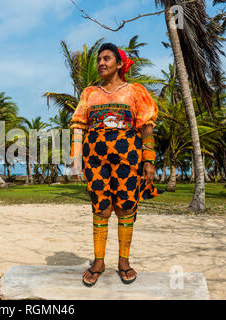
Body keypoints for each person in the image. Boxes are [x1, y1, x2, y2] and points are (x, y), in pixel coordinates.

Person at [69, 42, 163, 287]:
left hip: (128, 160)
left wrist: (149, 161)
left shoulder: (135, 91)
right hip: (96, 162)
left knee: (125, 208)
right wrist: (76, 157)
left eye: (107, 58)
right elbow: (79, 125)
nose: (101, 63)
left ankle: (124, 262)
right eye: (99, 59)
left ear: (120, 64)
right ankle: (99, 262)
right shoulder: (89, 93)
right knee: (101, 208)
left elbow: (146, 127)